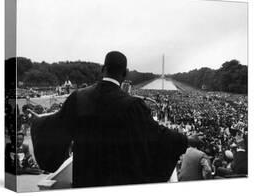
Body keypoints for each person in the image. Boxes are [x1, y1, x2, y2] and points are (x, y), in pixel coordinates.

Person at [31, 51, 188, 188]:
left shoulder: (78, 97)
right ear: (125, 73)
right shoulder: (133, 105)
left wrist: (38, 122)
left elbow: (56, 125)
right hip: (117, 181)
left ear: (103, 69)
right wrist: (186, 140)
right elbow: (158, 135)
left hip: (85, 179)